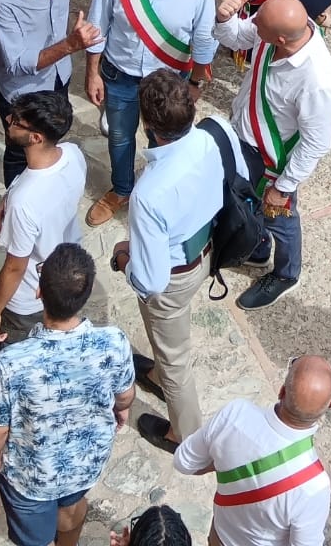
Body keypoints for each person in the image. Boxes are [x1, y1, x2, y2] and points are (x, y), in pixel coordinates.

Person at [0, 244, 135, 546]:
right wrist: (121, 407)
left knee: (33, 537)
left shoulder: (12, 362)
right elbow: (125, 396)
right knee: (72, 506)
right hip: (85, 465)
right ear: (84, 297)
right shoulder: (114, 341)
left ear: (38, 292)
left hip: (31, 477)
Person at [79, 0, 219, 228]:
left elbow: (204, 37)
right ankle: (123, 189)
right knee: (120, 137)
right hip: (121, 75)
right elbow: (97, 26)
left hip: (170, 81)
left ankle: (161, 195)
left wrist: (196, 83)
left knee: (167, 143)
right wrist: (92, 72)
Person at [112, 71, 229, 451]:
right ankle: (160, 374)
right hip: (207, 252)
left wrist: (124, 257)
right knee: (171, 346)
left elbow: (151, 280)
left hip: (175, 276)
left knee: (178, 363)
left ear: (148, 124)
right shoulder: (212, 136)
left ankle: (185, 435)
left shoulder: (148, 193)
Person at [205, 0, 331, 312]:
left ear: (280, 38)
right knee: (247, 205)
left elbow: (317, 141)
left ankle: (285, 274)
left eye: (258, 22)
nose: (253, 23)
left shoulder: (316, 80)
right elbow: (236, 37)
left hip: (273, 163)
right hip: (245, 140)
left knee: (281, 218)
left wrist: (284, 186)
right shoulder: (273, 33)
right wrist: (225, 20)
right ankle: (257, 245)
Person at [173, 358, 331, 543]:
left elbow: (183, 462)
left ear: (281, 391)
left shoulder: (235, 414)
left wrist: (222, 461)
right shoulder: (315, 486)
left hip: (219, 537)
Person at [0, 90, 88, 347]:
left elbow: (15, 266)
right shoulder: (73, 153)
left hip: (28, 297)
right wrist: (8, 195)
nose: (8, 120)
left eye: (17, 121)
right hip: (66, 272)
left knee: (18, 353)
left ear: (36, 137)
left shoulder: (24, 203)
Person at [0, 0, 85, 186]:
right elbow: (16, 64)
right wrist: (70, 45)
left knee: (50, 139)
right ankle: (14, 206)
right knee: (21, 151)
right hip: (22, 91)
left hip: (58, 75)